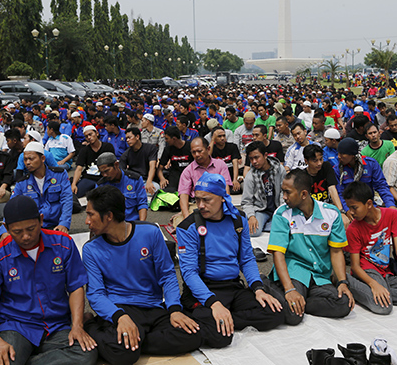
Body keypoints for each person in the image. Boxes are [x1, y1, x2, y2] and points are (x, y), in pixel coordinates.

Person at [82, 185, 225, 364]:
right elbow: (95, 294)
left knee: (193, 335)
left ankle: (135, 340)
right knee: (123, 355)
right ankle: (91, 325)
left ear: (109, 216)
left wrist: (174, 310)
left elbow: (168, 275)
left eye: (90, 214)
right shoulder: (91, 249)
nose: (86, 221)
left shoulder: (150, 233)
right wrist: (119, 317)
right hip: (121, 308)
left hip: (153, 307)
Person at [0, 195, 97, 365]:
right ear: (6, 228)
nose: (25, 236)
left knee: (86, 354)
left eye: (31, 228)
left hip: (57, 325)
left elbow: (75, 287)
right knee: (0, 359)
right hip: (16, 327)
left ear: (41, 220)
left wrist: (77, 326)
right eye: (17, 232)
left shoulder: (63, 244)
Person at [176, 173, 285, 338]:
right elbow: (189, 272)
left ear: (222, 198)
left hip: (233, 287)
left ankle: (225, 319)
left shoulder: (238, 220)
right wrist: (213, 303)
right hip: (205, 288)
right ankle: (220, 319)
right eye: (197, 200)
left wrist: (258, 289)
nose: (201, 205)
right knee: (219, 335)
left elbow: (247, 259)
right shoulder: (188, 227)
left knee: (275, 312)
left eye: (207, 200)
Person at [264, 169, 353, 325]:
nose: (283, 197)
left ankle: (300, 301)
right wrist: (290, 289)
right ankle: (270, 285)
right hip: (294, 273)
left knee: (343, 304)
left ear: (304, 194)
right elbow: (278, 254)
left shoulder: (331, 213)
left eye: (287, 192)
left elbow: (336, 251)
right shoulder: (282, 214)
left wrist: (342, 282)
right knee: (293, 317)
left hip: (319, 276)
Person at [343, 181, 397, 315]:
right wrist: (374, 284)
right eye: (349, 208)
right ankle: (345, 280)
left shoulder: (392, 215)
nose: (351, 212)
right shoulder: (353, 229)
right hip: (367, 270)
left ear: (369, 204)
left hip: (385, 271)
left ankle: (381, 291)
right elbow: (355, 266)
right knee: (383, 307)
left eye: (354, 208)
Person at [10, 142, 73, 233]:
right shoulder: (22, 183)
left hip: (57, 225)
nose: (27, 162)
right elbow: (12, 206)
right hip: (34, 229)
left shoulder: (60, 174)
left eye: (31, 159)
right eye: (25, 159)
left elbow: (67, 199)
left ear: (42, 158)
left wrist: (64, 223)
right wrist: (4, 230)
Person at [335, 138, 395, 213]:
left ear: (352, 155)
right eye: (338, 153)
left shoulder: (370, 164)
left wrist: (390, 205)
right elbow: (340, 193)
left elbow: (381, 186)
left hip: (369, 205)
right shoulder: (338, 170)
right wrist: (347, 211)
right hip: (350, 208)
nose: (339, 156)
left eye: (342, 154)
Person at [178, 137, 232, 218]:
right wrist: (186, 217)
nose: (197, 155)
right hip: (197, 205)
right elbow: (183, 195)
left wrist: (227, 207)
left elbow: (226, 188)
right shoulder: (188, 170)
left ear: (208, 149)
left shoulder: (220, 165)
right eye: (193, 152)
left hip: (217, 204)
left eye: (199, 151)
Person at [242, 142, 287, 237]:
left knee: (291, 225)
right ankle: (271, 224)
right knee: (254, 232)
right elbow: (246, 202)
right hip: (261, 210)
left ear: (265, 155)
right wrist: (251, 216)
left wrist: (283, 209)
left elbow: (284, 191)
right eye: (251, 159)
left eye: (256, 157)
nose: (254, 161)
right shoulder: (250, 176)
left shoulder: (279, 169)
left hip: (278, 207)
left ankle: (271, 223)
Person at [96, 152, 148, 222]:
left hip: (133, 223)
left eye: (107, 171)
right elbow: (98, 211)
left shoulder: (135, 179)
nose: (104, 175)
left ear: (116, 165)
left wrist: (142, 225)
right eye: (101, 172)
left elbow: (142, 204)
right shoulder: (100, 186)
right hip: (112, 226)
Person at [71, 125, 115, 198]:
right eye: (86, 136)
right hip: (89, 177)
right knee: (75, 194)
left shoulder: (108, 147)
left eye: (90, 134)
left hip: (104, 177)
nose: (89, 137)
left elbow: (112, 165)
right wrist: (74, 184)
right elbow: (79, 168)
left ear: (97, 133)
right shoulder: (84, 150)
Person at [303, 144, 343, 210]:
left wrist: (341, 210)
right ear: (306, 161)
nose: (319, 163)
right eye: (315, 161)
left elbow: (332, 188)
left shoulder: (326, 166)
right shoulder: (302, 176)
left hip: (327, 207)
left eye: (321, 159)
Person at [120, 127, 159, 195]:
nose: (128, 140)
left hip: (147, 180)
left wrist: (149, 181)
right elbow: (121, 171)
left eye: (130, 137)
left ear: (137, 137)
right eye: (126, 138)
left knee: (156, 188)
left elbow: (152, 166)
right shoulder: (126, 154)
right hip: (132, 181)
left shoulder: (150, 148)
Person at [157, 126, 192, 193]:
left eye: (167, 138)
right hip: (175, 175)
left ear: (174, 139)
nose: (165, 140)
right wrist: (162, 179)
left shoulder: (190, 146)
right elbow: (160, 168)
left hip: (189, 175)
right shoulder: (168, 149)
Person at [208, 126, 242, 193]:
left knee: (237, 190)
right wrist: (212, 140)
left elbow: (235, 164)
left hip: (230, 178)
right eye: (219, 136)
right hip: (217, 180)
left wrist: (235, 179)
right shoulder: (212, 149)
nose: (222, 138)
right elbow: (208, 156)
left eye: (224, 136)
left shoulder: (232, 146)